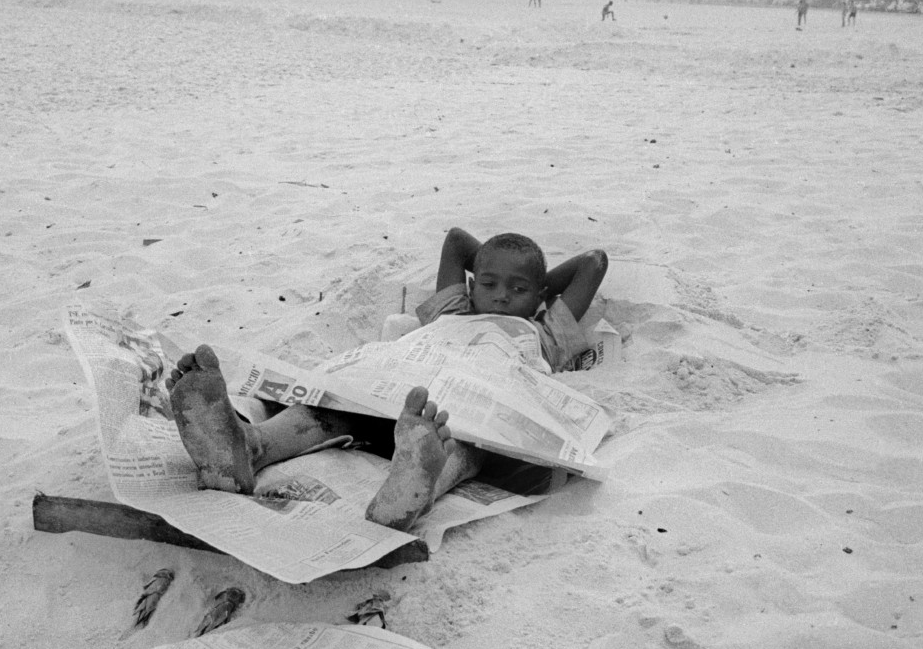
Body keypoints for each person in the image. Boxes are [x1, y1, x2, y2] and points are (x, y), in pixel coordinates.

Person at [165, 228, 609, 532]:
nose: (501, 295)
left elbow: (594, 263)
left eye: (518, 289)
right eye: (490, 283)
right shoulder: (452, 309)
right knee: (328, 409)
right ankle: (249, 447)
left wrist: (539, 285)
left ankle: (415, 488)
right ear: (471, 286)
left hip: (456, 411)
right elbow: (456, 240)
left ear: (540, 299)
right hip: (394, 387)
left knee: (463, 443)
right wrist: (517, 275)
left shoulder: (546, 331)